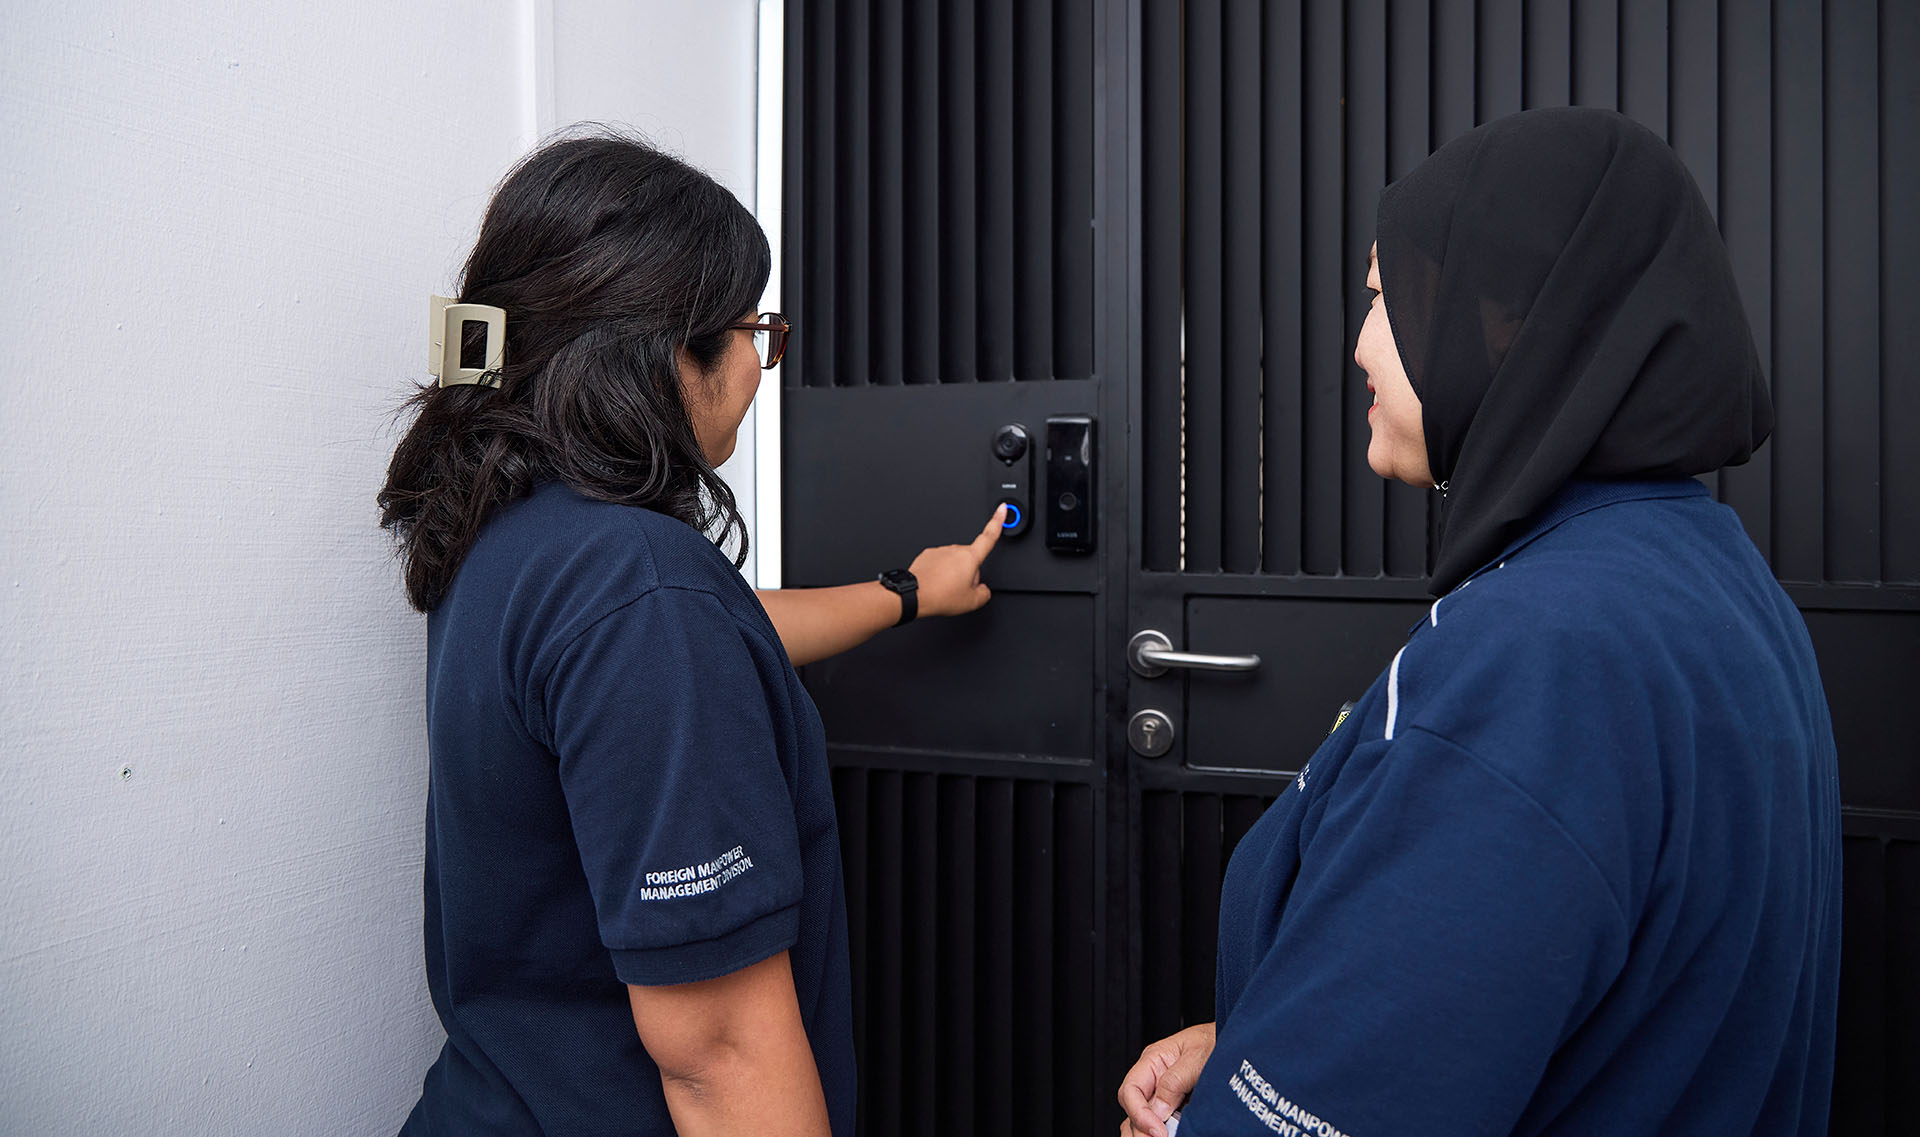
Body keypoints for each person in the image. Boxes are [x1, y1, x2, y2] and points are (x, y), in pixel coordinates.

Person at [1117, 108, 1841, 1136]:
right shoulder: (1720, 587)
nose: (1361, 341)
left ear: (1510, 322)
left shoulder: (1540, 657)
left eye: (1385, 296)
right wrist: (1266, 1044)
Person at [378, 130, 1001, 1137]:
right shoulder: (642, 592)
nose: (762, 366)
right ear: (668, 353)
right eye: (753, 330)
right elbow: (721, 1058)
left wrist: (911, 592)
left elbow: (715, 635)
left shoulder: (516, 535)